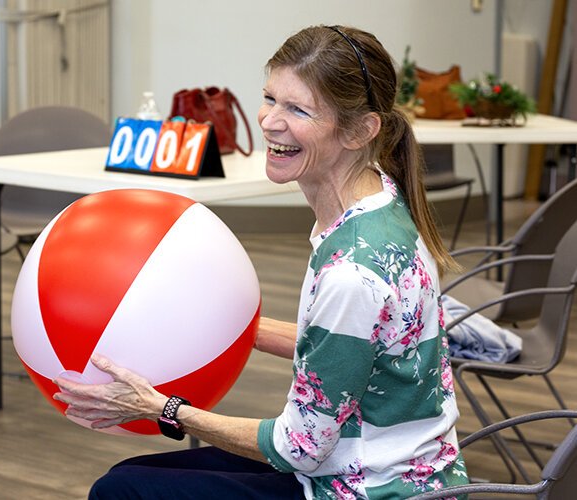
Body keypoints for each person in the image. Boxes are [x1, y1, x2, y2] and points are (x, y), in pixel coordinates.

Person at [54, 24, 469, 499]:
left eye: (298, 109)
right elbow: (352, 350)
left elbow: (300, 448)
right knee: (133, 476)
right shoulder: (380, 205)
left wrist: (158, 407)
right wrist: (231, 327)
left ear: (360, 130)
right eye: (270, 98)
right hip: (397, 469)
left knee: (123, 490)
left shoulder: (353, 271)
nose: (270, 121)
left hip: (361, 487)